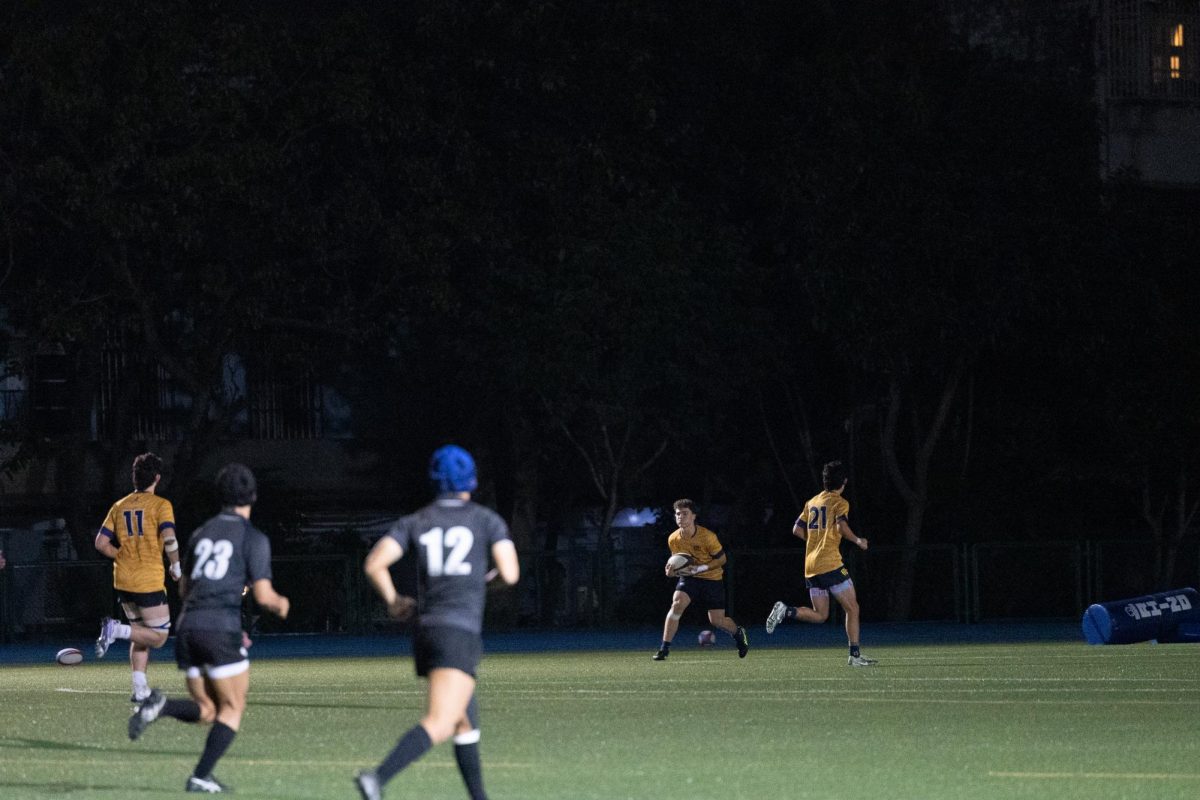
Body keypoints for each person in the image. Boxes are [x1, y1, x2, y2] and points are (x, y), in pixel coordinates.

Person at [355, 445, 519, 800]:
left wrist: (394, 601)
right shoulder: (485, 520)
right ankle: (377, 779)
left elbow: (374, 564)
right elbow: (510, 572)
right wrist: (482, 583)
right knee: (441, 721)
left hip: (427, 629)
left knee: (464, 720)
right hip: (457, 632)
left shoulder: (416, 521)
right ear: (471, 481)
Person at [126, 463, 290, 794]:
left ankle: (162, 707)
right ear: (253, 496)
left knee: (208, 710)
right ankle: (200, 776)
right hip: (219, 629)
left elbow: (185, 589)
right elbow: (263, 595)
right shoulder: (252, 537)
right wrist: (282, 604)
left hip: (188, 629)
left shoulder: (201, 533)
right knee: (232, 709)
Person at [765, 460, 877, 666]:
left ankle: (786, 610)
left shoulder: (812, 501)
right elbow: (842, 527)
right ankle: (854, 655)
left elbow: (796, 530)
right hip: (830, 564)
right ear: (843, 482)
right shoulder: (840, 502)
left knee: (820, 615)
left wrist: (816, 541)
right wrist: (858, 540)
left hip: (811, 566)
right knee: (853, 608)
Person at [94, 453, 182, 702]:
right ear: (157, 478)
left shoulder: (119, 506)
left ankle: (140, 689)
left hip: (123, 580)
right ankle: (114, 629)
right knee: (160, 636)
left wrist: (120, 555)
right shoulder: (161, 505)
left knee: (140, 633)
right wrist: (176, 565)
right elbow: (170, 538)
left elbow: (101, 543)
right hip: (148, 580)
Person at [652, 499, 749, 661]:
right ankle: (664, 648)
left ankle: (739, 633)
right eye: (678, 514)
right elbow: (674, 563)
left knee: (717, 620)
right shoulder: (673, 539)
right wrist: (670, 572)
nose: (681, 517)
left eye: (685, 514)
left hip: (712, 578)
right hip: (690, 579)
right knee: (677, 604)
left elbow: (722, 559)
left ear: (693, 516)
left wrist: (701, 568)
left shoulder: (707, 536)